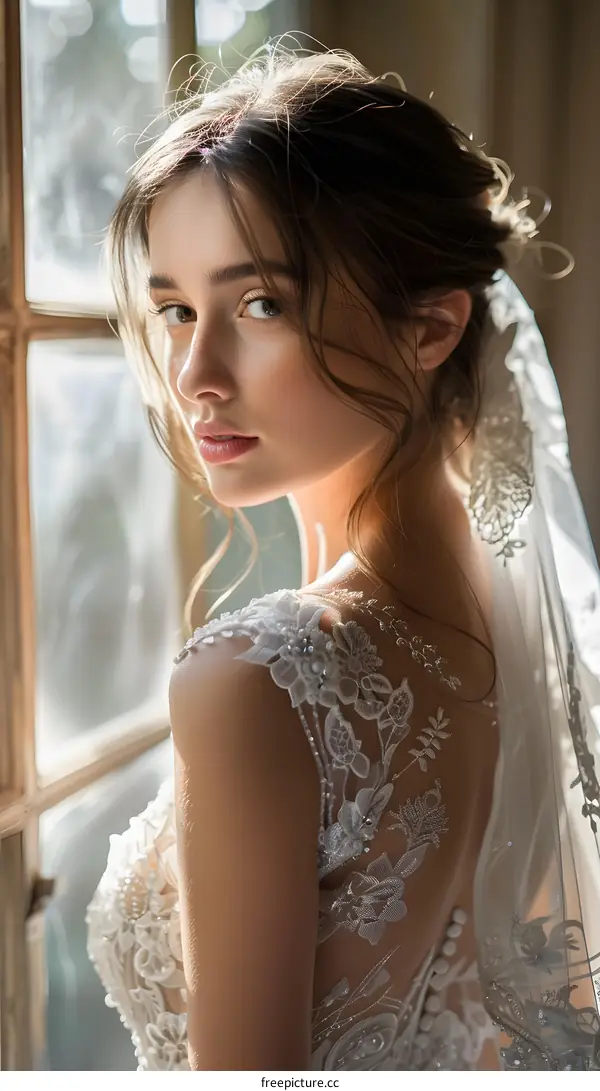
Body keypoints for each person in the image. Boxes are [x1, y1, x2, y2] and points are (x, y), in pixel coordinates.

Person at [85, 45, 600, 1071]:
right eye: (177, 309)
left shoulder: (255, 678)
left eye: (261, 303)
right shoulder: (516, 624)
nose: (195, 374)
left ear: (430, 325)